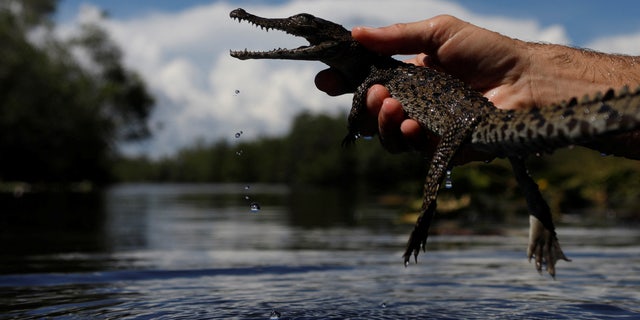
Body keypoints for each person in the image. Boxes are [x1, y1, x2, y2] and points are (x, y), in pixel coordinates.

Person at [314, 15, 640, 161]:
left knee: (440, 157)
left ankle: (423, 223)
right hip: (481, 120)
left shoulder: (374, 73)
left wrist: (352, 127)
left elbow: (360, 107)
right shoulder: (376, 75)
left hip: (474, 121)